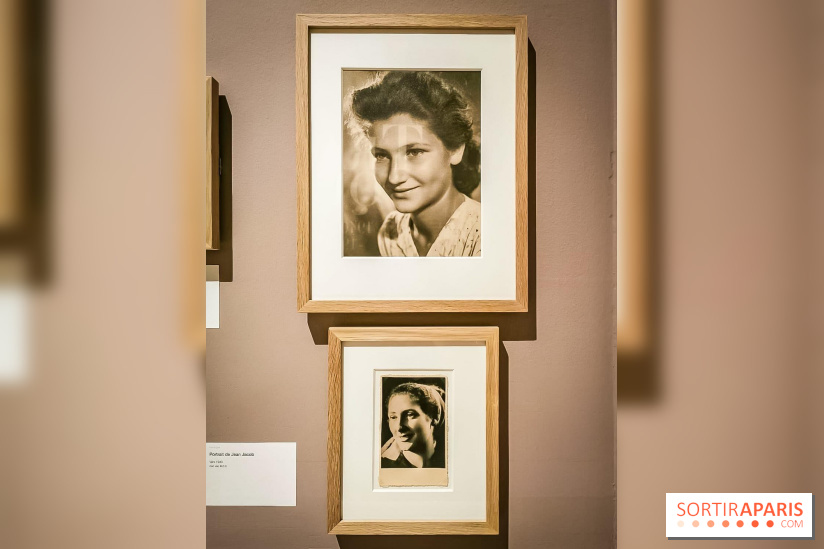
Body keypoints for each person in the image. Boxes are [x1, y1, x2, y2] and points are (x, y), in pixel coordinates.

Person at [350, 71, 481, 257]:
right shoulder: (390, 233)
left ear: (456, 149)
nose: (394, 177)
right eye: (381, 155)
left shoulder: (487, 234)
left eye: (414, 152)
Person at [380, 382, 446, 469]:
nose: (399, 427)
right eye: (393, 417)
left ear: (434, 417)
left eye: (410, 415)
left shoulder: (450, 460)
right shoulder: (383, 465)